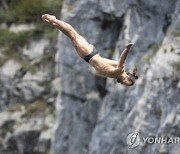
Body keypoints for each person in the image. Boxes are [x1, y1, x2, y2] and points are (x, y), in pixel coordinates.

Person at [42, 14, 138, 86]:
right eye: (127, 83)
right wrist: (127, 48)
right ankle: (54, 19)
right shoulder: (119, 71)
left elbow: (113, 63)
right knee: (73, 35)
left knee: (71, 37)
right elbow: (122, 58)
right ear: (128, 78)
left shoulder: (117, 74)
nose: (125, 84)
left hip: (88, 58)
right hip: (91, 54)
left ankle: (55, 23)